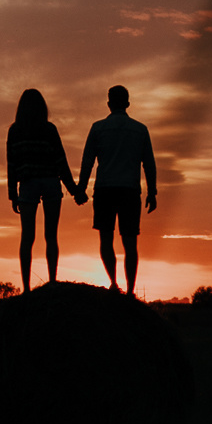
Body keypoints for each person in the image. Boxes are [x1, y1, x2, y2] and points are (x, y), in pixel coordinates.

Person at [78, 85, 158, 294]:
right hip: (130, 190)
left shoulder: (97, 128)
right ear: (128, 104)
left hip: (105, 189)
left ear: (109, 104)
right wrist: (152, 191)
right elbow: (148, 163)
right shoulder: (140, 130)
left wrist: (81, 188)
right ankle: (130, 290)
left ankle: (113, 283)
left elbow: (87, 161)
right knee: (130, 242)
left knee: (106, 238)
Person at [6, 88, 84, 292]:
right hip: (50, 182)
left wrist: (12, 193)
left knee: (27, 237)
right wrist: (74, 190)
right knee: (51, 235)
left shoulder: (15, 130)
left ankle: (26, 287)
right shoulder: (49, 130)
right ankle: (52, 281)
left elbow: (11, 163)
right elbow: (61, 161)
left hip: (28, 183)